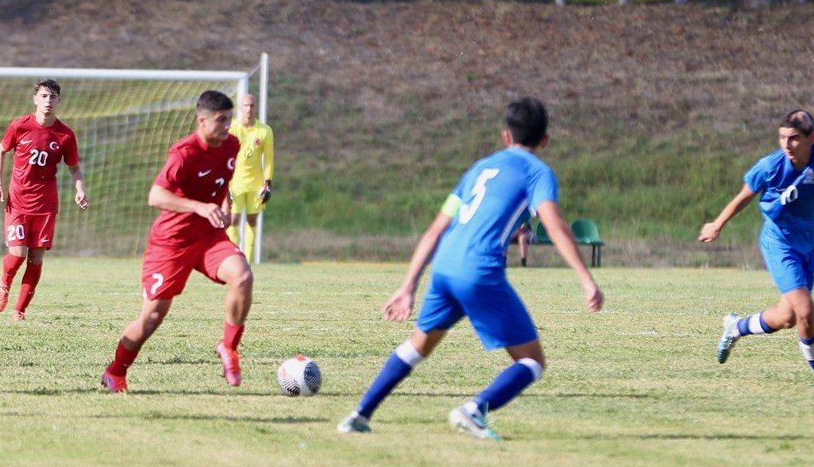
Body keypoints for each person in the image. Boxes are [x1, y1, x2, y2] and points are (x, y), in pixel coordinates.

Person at [337, 97, 604, 439]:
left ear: (506, 136)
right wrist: (586, 280)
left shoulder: (479, 168)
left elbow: (435, 229)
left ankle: (359, 415)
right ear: (545, 141)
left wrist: (407, 286)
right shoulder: (538, 172)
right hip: (479, 271)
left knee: (418, 346)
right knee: (532, 362)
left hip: (445, 266)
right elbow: (553, 224)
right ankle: (474, 410)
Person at [100, 90, 253, 393]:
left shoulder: (232, 145)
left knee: (243, 276)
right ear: (202, 121)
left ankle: (228, 347)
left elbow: (222, 182)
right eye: (221, 120)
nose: (227, 126)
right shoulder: (183, 153)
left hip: (208, 237)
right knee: (152, 317)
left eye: (229, 119)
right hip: (171, 243)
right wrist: (200, 207)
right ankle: (115, 372)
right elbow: (155, 196)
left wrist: (223, 208)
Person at [699, 109, 814, 387]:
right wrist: (718, 223)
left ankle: (736, 327)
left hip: (811, 243)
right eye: (782, 137)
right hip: (779, 242)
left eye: (794, 138)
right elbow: (744, 197)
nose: (786, 145)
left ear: (811, 138)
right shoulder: (771, 165)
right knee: (805, 312)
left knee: (787, 317)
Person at [0, 79, 89, 320]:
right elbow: (1, 151)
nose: (48, 101)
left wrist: (80, 188)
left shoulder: (65, 135)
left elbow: (74, 168)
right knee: (17, 255)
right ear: (35, 99)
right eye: (44, 96)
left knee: (35, 258)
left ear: (59, 101)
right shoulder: (19, 126)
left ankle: (19, 310)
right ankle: (4, 283)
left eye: (52, 97)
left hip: (45, 205)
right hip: (18, 201)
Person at [226, 92, 274, 260]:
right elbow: (224, 155)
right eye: (245, 105)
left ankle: (247, 261)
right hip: (235, 182)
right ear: (240, 108)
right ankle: (234, 259)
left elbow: (268, 159)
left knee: (252, 221)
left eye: (252, 105)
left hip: (256, 183)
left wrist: (268, 182)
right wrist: (225, 180)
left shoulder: (265, 131)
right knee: (233, 221)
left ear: (256, 108)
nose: (249, 109)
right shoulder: (231, 128)